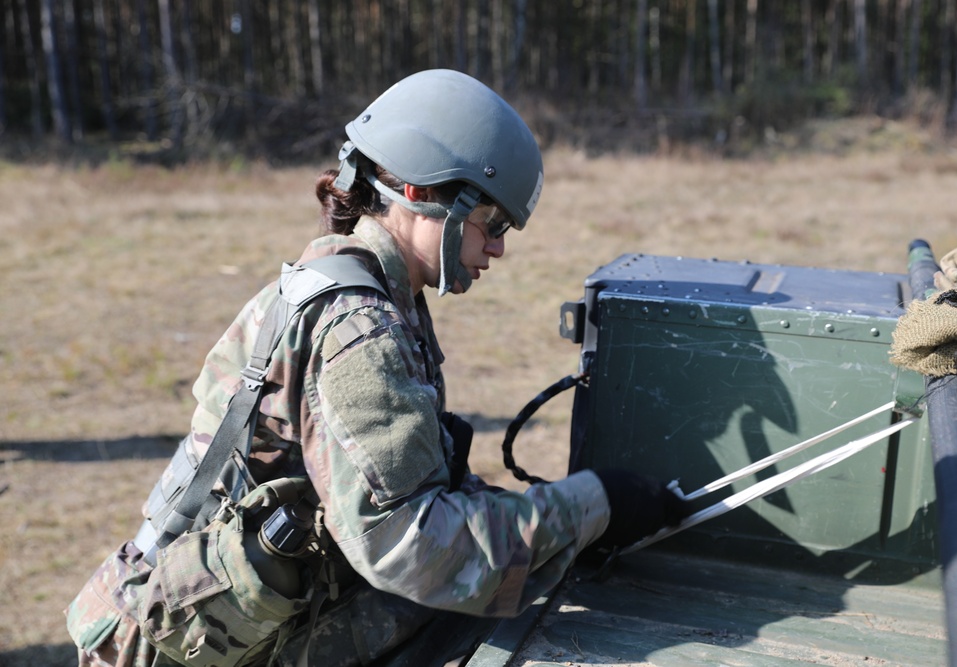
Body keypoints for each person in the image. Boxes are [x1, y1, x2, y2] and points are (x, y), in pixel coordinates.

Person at [66, 69, 690, 667]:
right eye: (490, 222)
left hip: (228, 616)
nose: (498, 247)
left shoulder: (368, 287)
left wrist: (563, 528)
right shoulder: (358, 328)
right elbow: (412, 549)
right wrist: (592, 507)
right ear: (418, 193)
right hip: (183, 646)